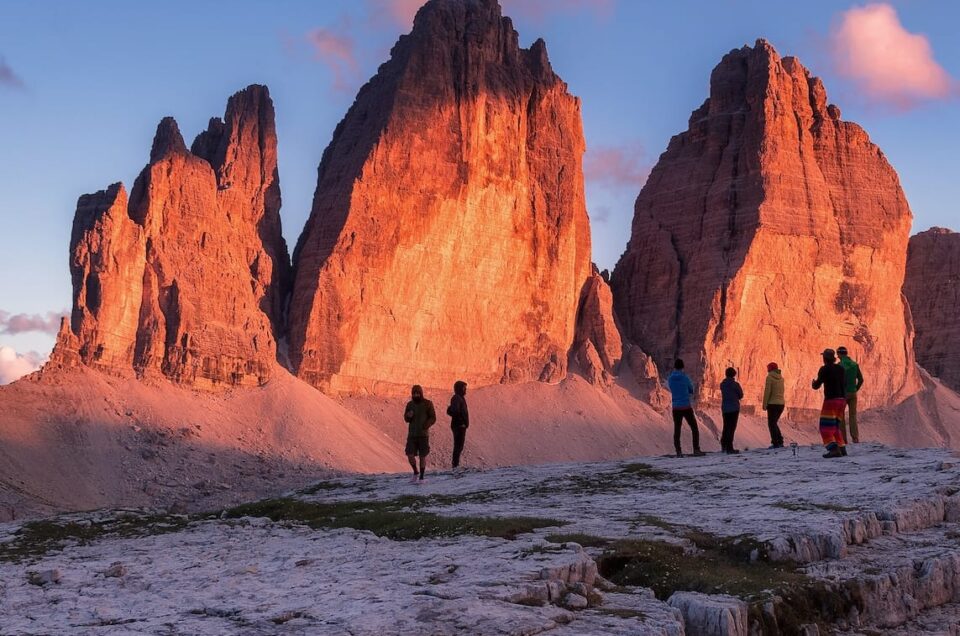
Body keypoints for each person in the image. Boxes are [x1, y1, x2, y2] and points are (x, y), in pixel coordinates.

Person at [812, 349, 847, 459]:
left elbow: (817, 385)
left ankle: (833, 449)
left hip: (831, 400)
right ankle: (842, 448)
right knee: (835, 426)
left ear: (825, 358)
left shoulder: (824, 369)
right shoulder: (841, 369)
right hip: (842, 400)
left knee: (825, 427)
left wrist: (813, 383)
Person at [667, 359, 705, 458]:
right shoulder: (685, 378)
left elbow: (670, 388)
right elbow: (691, 389)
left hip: (675, 407)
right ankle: (696, 449)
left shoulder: (670, 378)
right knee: (694, 428)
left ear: (674, 367)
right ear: (683, 367)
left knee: (677, 429)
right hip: (686, 406)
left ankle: (678, 451)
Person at [403, 385, 436, 482]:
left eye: (417, 393)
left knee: (422, 456)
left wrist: (427, 424)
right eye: (414, 393)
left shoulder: (428, 403)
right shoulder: (410, 404)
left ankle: (421, 477)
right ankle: (415, 472)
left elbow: (433, 417)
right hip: (412, 434)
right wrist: (408, 416)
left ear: (421, 393)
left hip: (423, 435)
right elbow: (406, 418)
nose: (416, 395)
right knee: (409, 454)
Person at [837, 346, 864, 443]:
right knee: (853, 415)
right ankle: (855, 437)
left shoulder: (840, 365)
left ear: (839, 354)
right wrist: (855, 389)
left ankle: (843, 440)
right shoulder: (855, 364)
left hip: (843, 394)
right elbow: (861, 380)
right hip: (853, 393)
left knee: (841, 416)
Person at [719, 367, 743, 454]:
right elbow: (741, 395)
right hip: (734, 408)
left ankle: (723, 445)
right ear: (734, 375)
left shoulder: (722, 384)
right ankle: (730, 447)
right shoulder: (735, 385)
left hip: (725, 408)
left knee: (726, 427)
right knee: (732, 428)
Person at [762, 362, 786, 449]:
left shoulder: (769, 378)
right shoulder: (781, 378)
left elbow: (767, 391)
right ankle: (780, 441)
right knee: (774, 423)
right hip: (781, 404)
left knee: (771, 424)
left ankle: (775, 443)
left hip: (772, 404)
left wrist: (764, 404)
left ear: (770, 369)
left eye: (768, 368)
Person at [446, 380, 469, 470]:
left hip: (459, 425)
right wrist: (461, 422)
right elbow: (455, 411)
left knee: (459, 445)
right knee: (458, 445)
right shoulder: (456, 398)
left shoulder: (459, 397)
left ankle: (456, 464)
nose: (465, 390)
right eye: (464, 388)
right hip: (458, 425)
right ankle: (455, 465)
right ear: (459, 388)